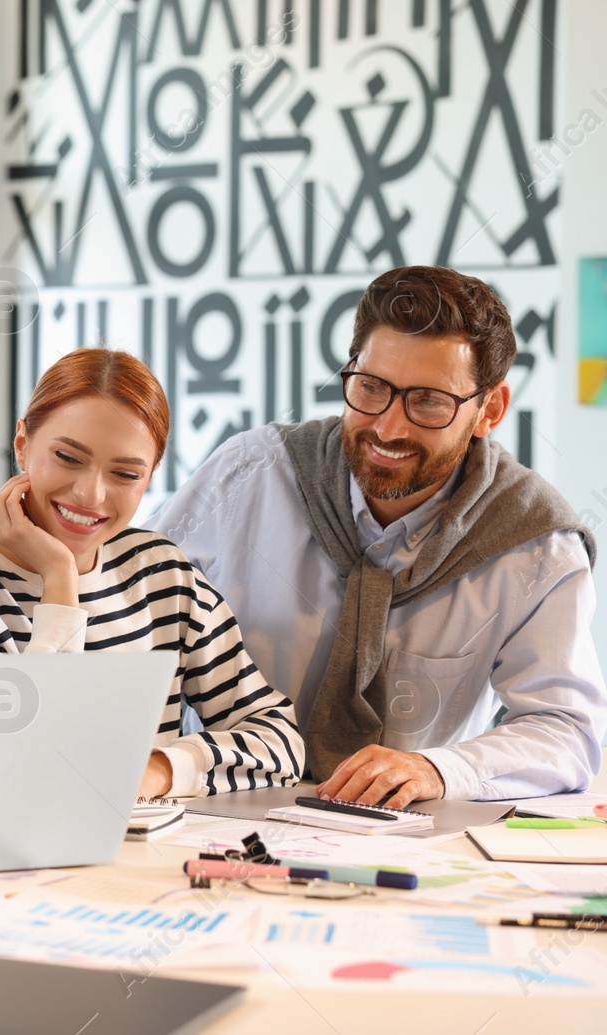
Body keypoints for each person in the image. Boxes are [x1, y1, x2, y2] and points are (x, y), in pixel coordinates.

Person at [153, 265, 605, 806]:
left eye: (429, 402)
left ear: (490, 410)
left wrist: (439, 770)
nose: (389, 428)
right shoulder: (247, 473)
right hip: (213, 819)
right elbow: (126, 591)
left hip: (413, 842)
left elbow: (568, 731)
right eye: (371, 388)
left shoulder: (536, 544)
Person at [0, 349, 304, 797]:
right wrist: (60, 580)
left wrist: (158, 770)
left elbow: (280, 741)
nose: (90, 494)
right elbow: (9, 768)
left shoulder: (163, 575)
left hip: (147, 857)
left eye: (125, 474)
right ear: (22, 443)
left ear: (150, 478)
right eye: (68, 457)